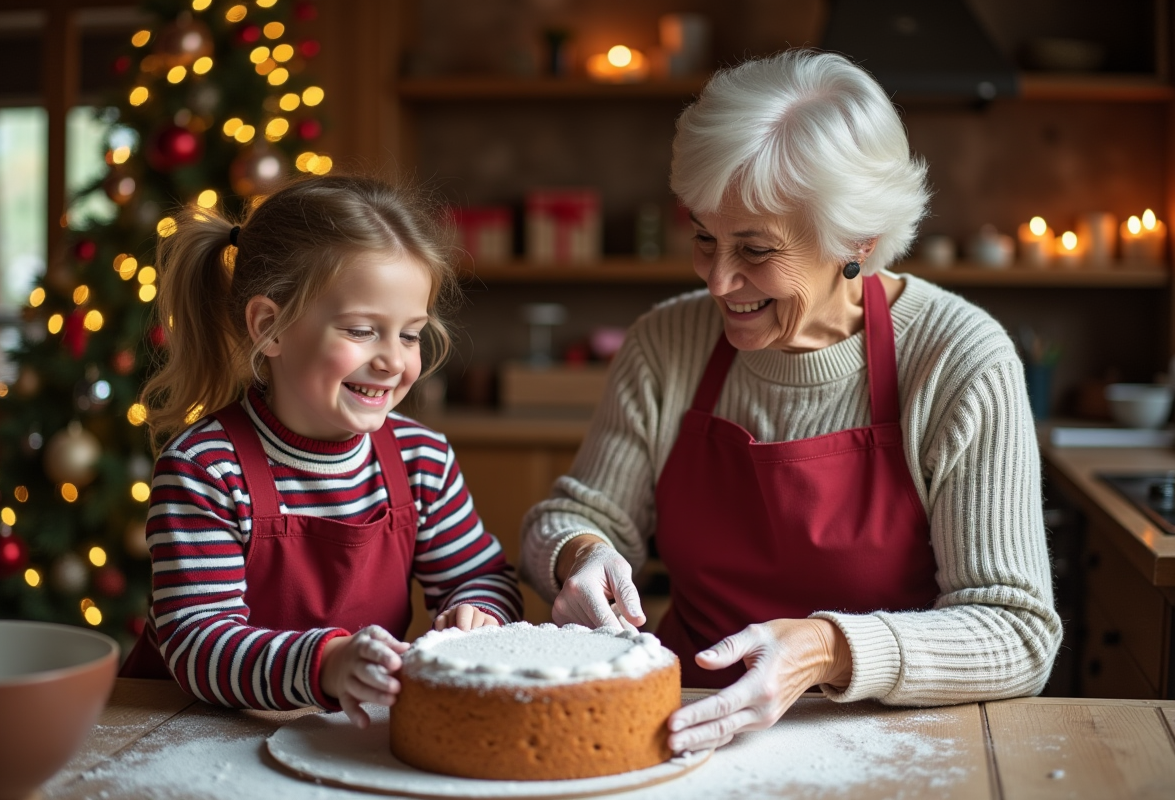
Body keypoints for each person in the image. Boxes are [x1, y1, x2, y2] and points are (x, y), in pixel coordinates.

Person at [520, 50, 1061, 754]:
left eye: (754, 250)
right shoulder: (668, 342)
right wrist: (580, 555)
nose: (718, 281)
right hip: (685, 728)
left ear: (856, 244)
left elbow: (1015, 630)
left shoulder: (958, 357)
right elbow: (570, 515)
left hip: (888, 739)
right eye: (704, 238)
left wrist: (828, 648)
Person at [120, 175, 523, 727]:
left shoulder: (420, 458)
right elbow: (198, 643)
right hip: (188, 733)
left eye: (409, 334)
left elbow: (483, 576)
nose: (393, 362)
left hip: (339, 735)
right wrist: (327, 663)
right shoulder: (205, 469)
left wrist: (479, 615)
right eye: (361, 331)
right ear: (271, 327)